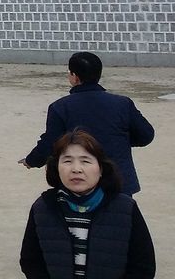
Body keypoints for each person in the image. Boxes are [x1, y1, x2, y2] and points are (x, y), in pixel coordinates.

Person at [20, 129, 155, 279]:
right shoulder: (43, 208)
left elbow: (143, 266)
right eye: (67, 161)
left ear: (101, 168)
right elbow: (30, 261)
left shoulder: (125, 208)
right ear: (56, 168)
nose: (76, 169)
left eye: (85, 161)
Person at [20, 52, 154, 194]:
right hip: (119, 181)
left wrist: (32, 160)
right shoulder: (122, 103)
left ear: (74, 77)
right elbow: (146, 135)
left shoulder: (61, 107)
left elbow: (51, 143)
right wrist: (120, 140)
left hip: (79, 184)